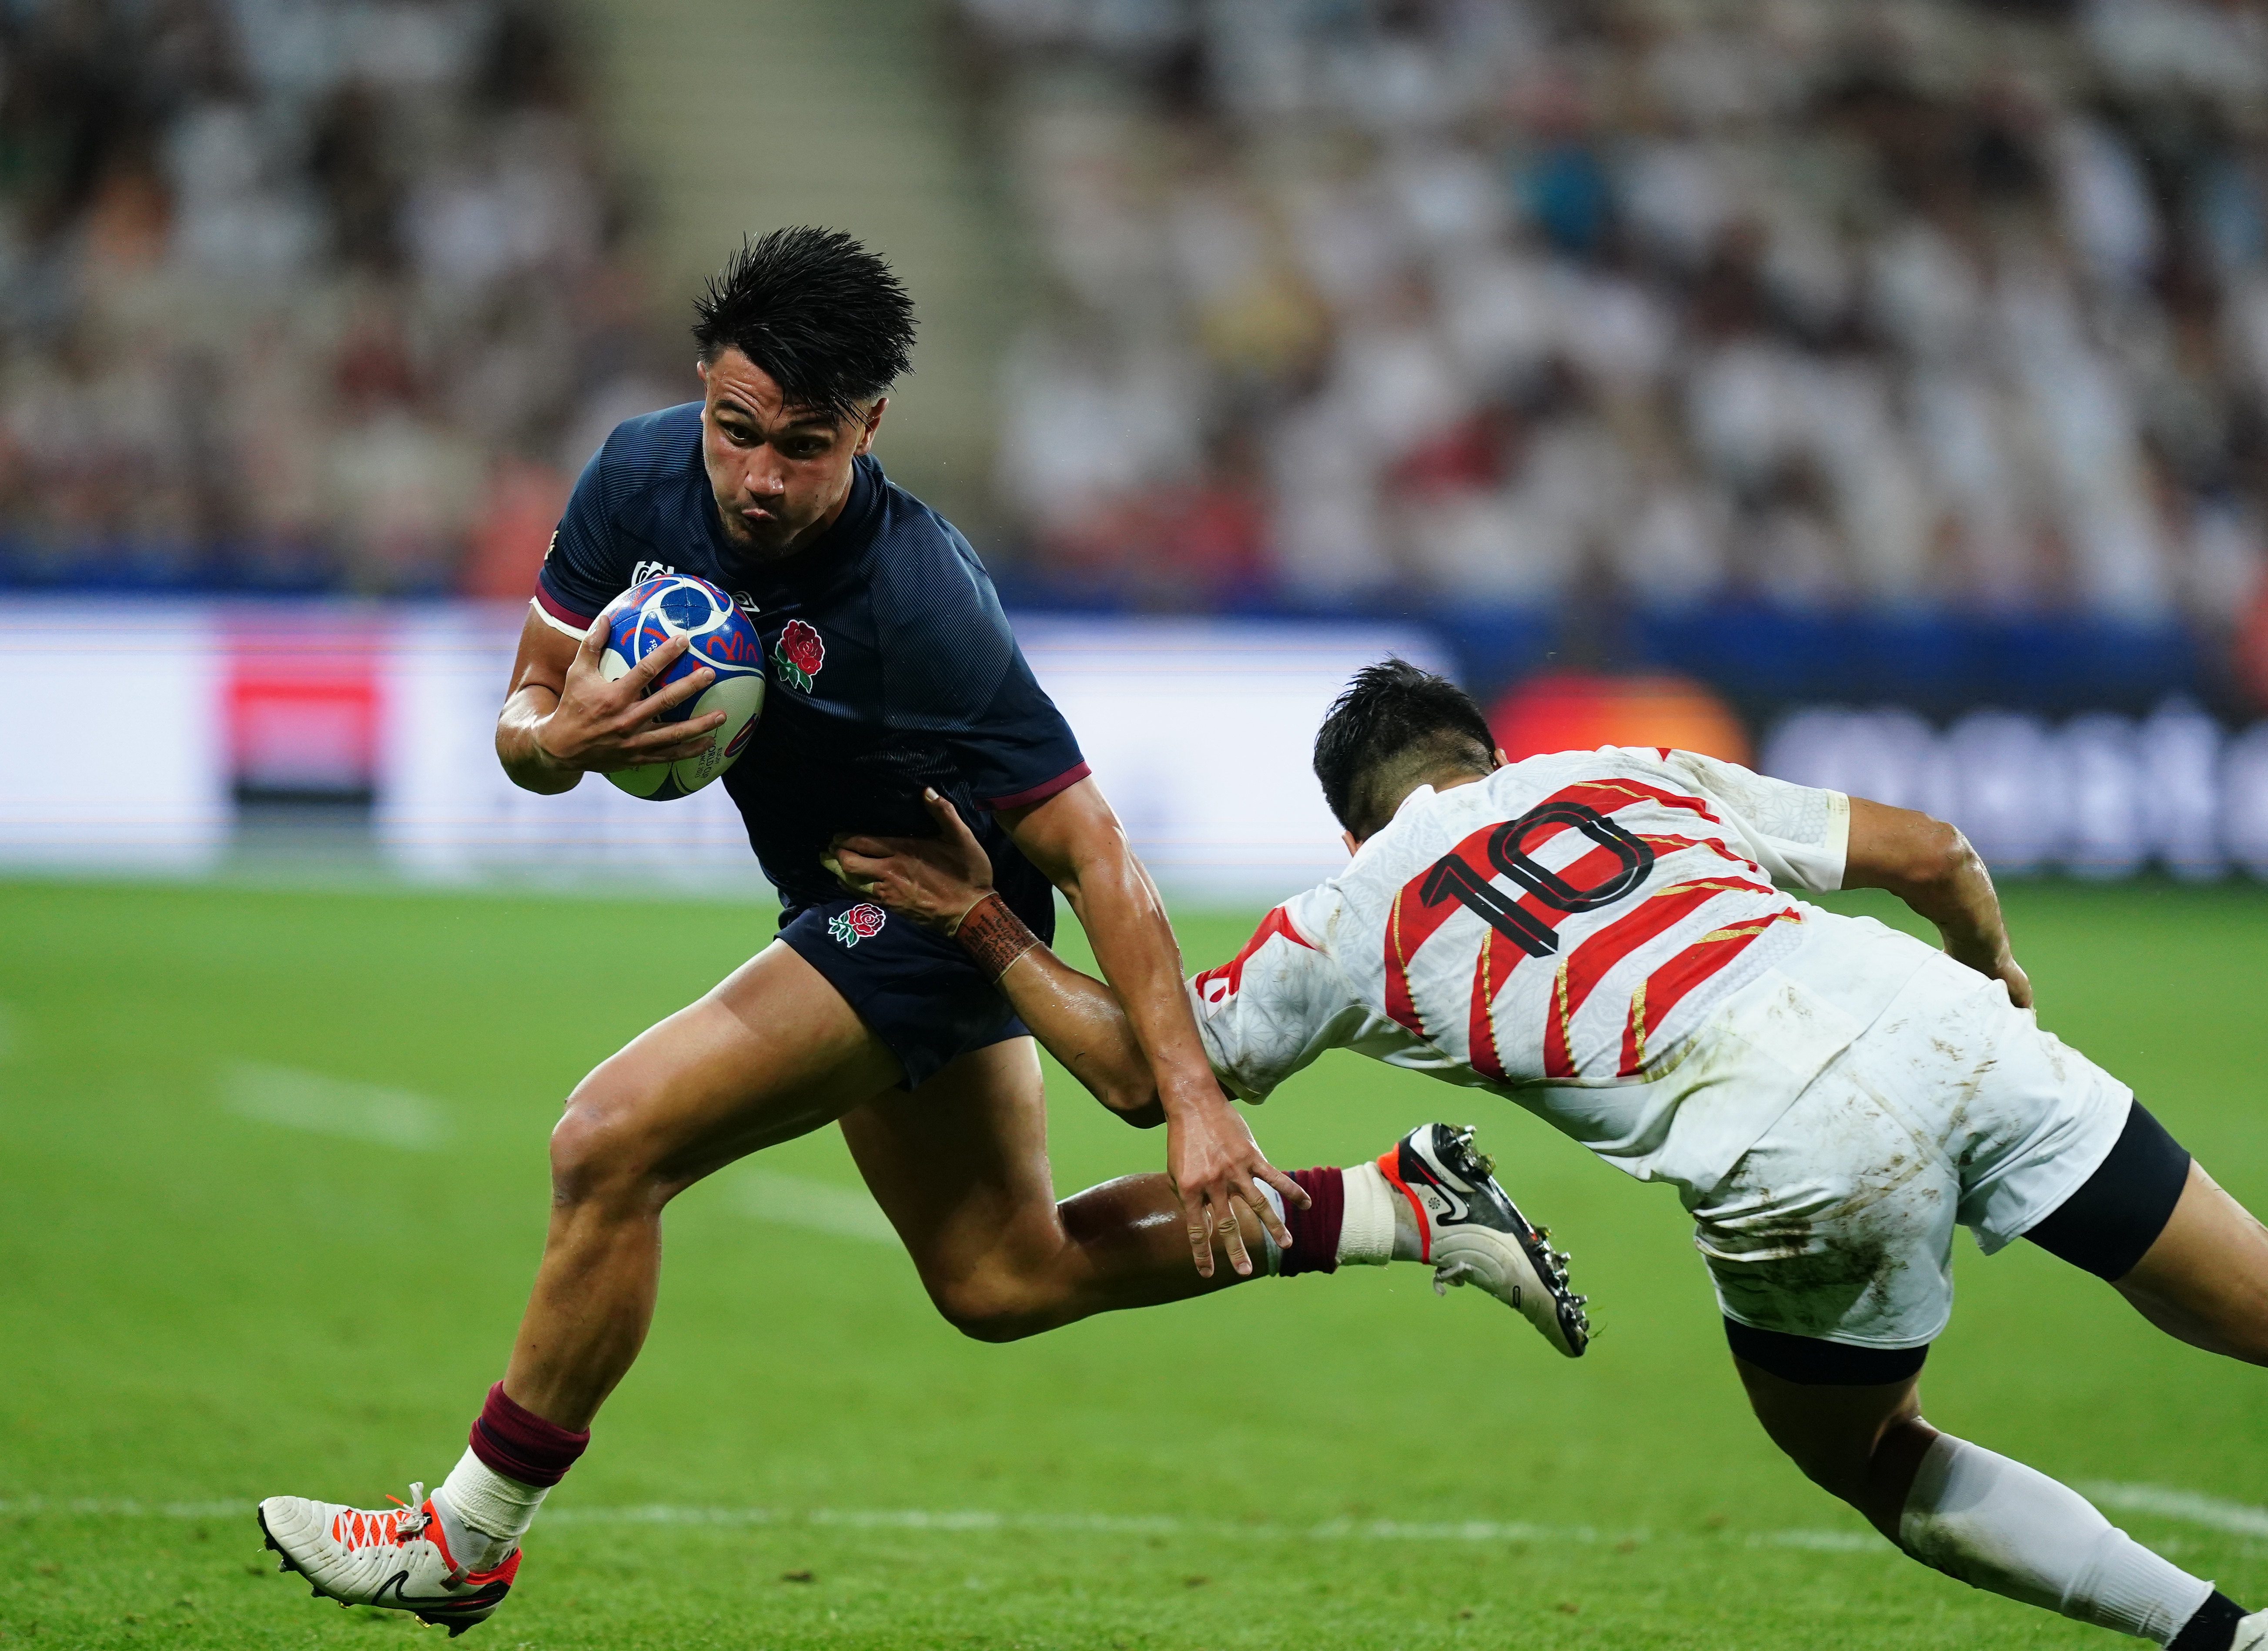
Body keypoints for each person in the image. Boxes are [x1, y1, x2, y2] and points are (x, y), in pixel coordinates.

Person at [252, 235, 1584, 1637]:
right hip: (843, 896)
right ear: (703, 390)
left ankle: (466, 1537)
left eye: (805, 447)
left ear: (870, 427)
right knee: (1000, 1277)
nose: (759, 478)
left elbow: (1097, 849)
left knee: (608, 1139)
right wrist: (564, 737)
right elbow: (523, 720)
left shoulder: (921, 603)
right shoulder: (637, 476)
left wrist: (1190, 1106)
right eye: (737, 430)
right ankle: (1401, 1205)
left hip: (927, 894)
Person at [833, 657, 2268, 1651]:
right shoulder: (1623, 766)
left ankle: (2221, 1635)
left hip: (1786, 1141)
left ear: (1358, 820)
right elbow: (1933, 850)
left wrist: (980, 919)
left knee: (1862, 1450)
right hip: (1936, 1020)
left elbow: (1144, 1076)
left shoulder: (1344, 915)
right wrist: (1993, 980)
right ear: (1485, 753)